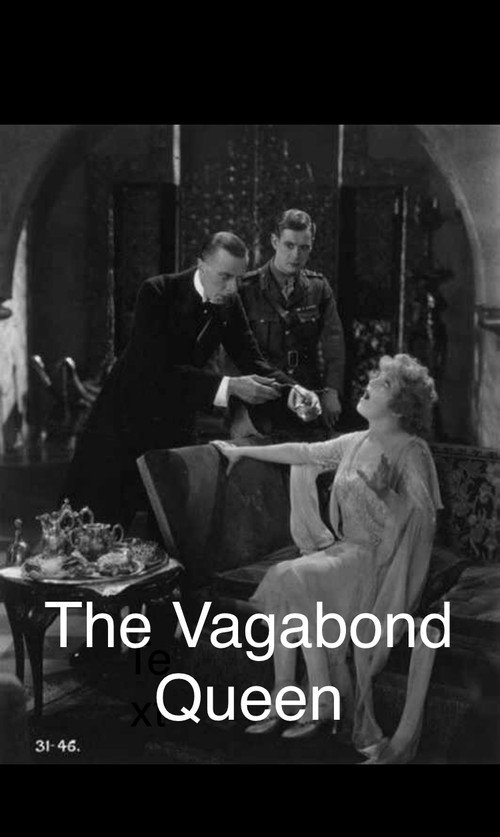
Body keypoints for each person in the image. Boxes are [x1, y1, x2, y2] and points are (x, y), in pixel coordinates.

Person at [213, 354, 443, 764]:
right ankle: (292, 696)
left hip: (379, 565)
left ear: (400, 406)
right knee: (289, 582)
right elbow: (304, 452)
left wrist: (385, 493)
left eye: (383, 383)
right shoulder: (356, 442)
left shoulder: (412, 451)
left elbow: (421, 521)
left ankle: (309, 698)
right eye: (374, 377)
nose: (370, 383)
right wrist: (240, 453)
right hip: (345, 552)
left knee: (291, 577)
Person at [62, 232, 321, 529]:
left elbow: (253, 360)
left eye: (238, 278)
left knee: (169, 530)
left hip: (173, 424)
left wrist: (294, 391)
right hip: (122, 422)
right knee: (94, 528)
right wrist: (230, 386)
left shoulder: (229, 300)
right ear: (201, 265)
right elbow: (154, 371)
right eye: (225, 277)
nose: (232, 288)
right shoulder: (157, 291)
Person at [238, 209, 345, 438]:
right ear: (274, 242)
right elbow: (232, 354)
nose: (296, 255)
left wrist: (332, 390)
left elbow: (334, 345)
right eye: (289, 245)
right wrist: (239, 409)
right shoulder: (247, 289)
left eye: (304, 247)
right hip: (260, 402)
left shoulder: (318, 288)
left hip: (307, 401)